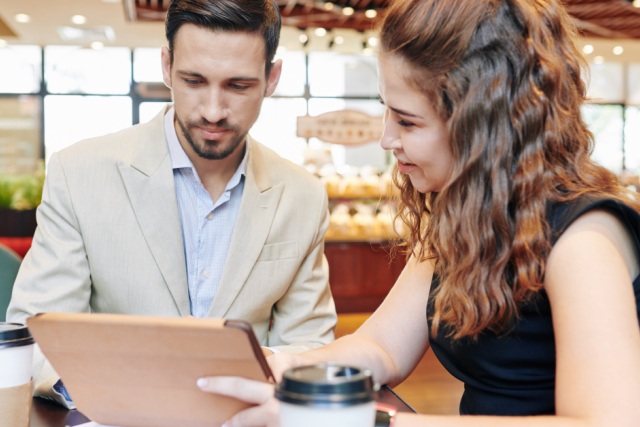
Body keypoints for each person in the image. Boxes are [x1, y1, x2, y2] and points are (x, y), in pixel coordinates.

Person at [196, 0, 640, 425]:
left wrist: (359, 421)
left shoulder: (584, 241)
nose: (387, 138)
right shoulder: (460, 214)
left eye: (407, 121)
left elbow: (605, 422)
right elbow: (381, 346)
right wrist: (285, 364)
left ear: (481, 125)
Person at [7, 0, 336, 408]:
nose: (213, 112)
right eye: (194, 81)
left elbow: (310, 343)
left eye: (238, 86)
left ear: (271, 78)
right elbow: (32, 334)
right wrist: (116, 389)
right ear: (166, 66)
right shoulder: (78, 174)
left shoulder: (303, 195)